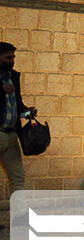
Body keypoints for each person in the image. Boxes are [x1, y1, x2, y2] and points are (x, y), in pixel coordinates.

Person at [0, 42, 35, 197]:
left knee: (18, 177)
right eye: (8, 57)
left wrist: (26, 111)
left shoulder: (13, 76)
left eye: (13, 57)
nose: (11, 61)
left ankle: (20, 213)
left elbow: (16, 102)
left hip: (11, 134)